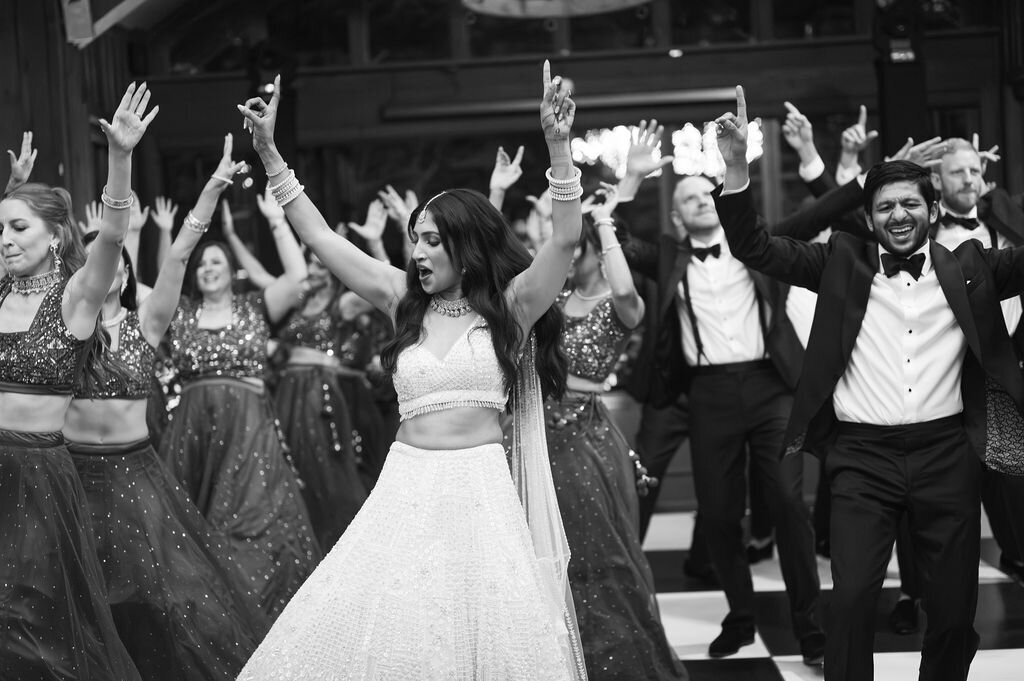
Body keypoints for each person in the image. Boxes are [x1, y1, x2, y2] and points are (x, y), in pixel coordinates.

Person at [233, 62, 588, 680]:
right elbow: (321, 238)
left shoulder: (511, 308)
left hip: (480, 491)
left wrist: (559, 149)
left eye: (431, 241)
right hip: (405, 486)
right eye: (415, 239)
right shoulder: (401, 299)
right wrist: (269, 154)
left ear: (465, 247)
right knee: (389, 633)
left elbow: (563, 241)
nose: (417, 252)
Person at [711, 86, 1024, 681]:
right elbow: (753, 246)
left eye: (909, 204)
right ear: (869, 216)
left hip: (947, 454)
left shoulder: (972, 267)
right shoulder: (839, 263)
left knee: (953, 609)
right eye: (884, 208)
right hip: (861, 459)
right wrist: (735, 167)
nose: (898, 216)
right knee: (852, 601)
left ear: (932, 211)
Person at [63, 134, 268, 680]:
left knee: (157, 595)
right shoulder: (64, 330)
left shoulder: (146, 323)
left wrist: (211, 191)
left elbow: (178, 254)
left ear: (127, 273)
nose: (106, 266)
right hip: (72, 475)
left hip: (134, 475)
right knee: (83, 596)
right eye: (93, 260)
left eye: (114, 260)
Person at [619, 150, 825, 663]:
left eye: (706, 193)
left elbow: (821, 215)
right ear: (676, 216)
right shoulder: (668, 257)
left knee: (787, 502)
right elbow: (612, 239)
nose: (700, 201)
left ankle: (811, 627)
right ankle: (741, 616)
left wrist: (859, 181)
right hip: (708, 393)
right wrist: (630, 181)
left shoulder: (760, 244)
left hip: (770, 386)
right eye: (688, 197)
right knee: (717, 513)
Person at [0, 81, 155, 680]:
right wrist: (14, 191)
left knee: (36, 620)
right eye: (1, 230)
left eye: (18, 228)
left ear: (54, 234)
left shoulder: (74, 299)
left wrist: (120, 157)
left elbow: (111, 237)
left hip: (38, 476)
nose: (6, 241)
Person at [159, 172, 321, 620]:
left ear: (232, 271)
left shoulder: (255, 306)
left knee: (250, 517)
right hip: (192, 433)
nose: (208, 268)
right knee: (188, 523)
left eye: (217, 262)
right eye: (202, 264)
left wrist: (277, 220)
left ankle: (252, 610)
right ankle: (204, 614)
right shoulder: (180, 312)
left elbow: (298, 276)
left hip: (248, 432)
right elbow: (165, 270)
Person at [545, 184, 687, 680]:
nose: (566, 255)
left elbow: (625, 291)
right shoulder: (555, 299)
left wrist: (604, 221)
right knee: (549, 554)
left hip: (582, 434)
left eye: (574, 247)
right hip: (538, 432)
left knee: (596, 551)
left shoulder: (620, 304)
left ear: (594, 251)